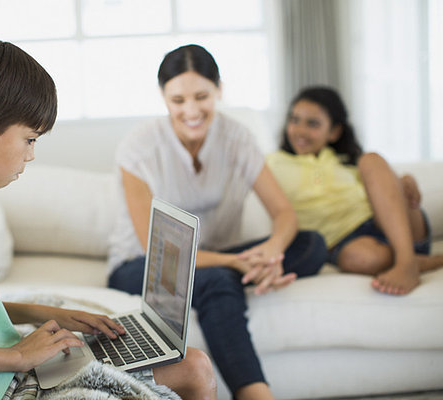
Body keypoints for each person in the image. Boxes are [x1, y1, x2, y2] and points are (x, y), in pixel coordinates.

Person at [0, 39, 216, 400]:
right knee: (194, 368)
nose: (31, 155)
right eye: (29, 139)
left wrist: (46, 314)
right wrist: (19, 354)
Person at [107, 44, 327, 400]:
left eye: (201, 96)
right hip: (144, 265)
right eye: (178, 100)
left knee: (311, 244)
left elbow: (284, 214)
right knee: (219, 278)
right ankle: (256, 395)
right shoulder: (138, 148)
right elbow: (155, 247)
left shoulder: (237, 138)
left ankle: (247, 272)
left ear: (219, 90)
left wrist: (271, 252)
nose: (191, 111)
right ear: (163, 98)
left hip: (216, 256)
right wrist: (233, 262)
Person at [266, 85, 443, 296]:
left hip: (398, 227)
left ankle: (406, 262)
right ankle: (425, 262)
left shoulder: (345, 160)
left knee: (371, 160)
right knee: (358, 258)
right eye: (294, 120)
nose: (300, 130)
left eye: (312, 124)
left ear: (334, 132)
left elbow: (386, 191)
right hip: (348, 242)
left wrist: (405, 180)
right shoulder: (272, 163)